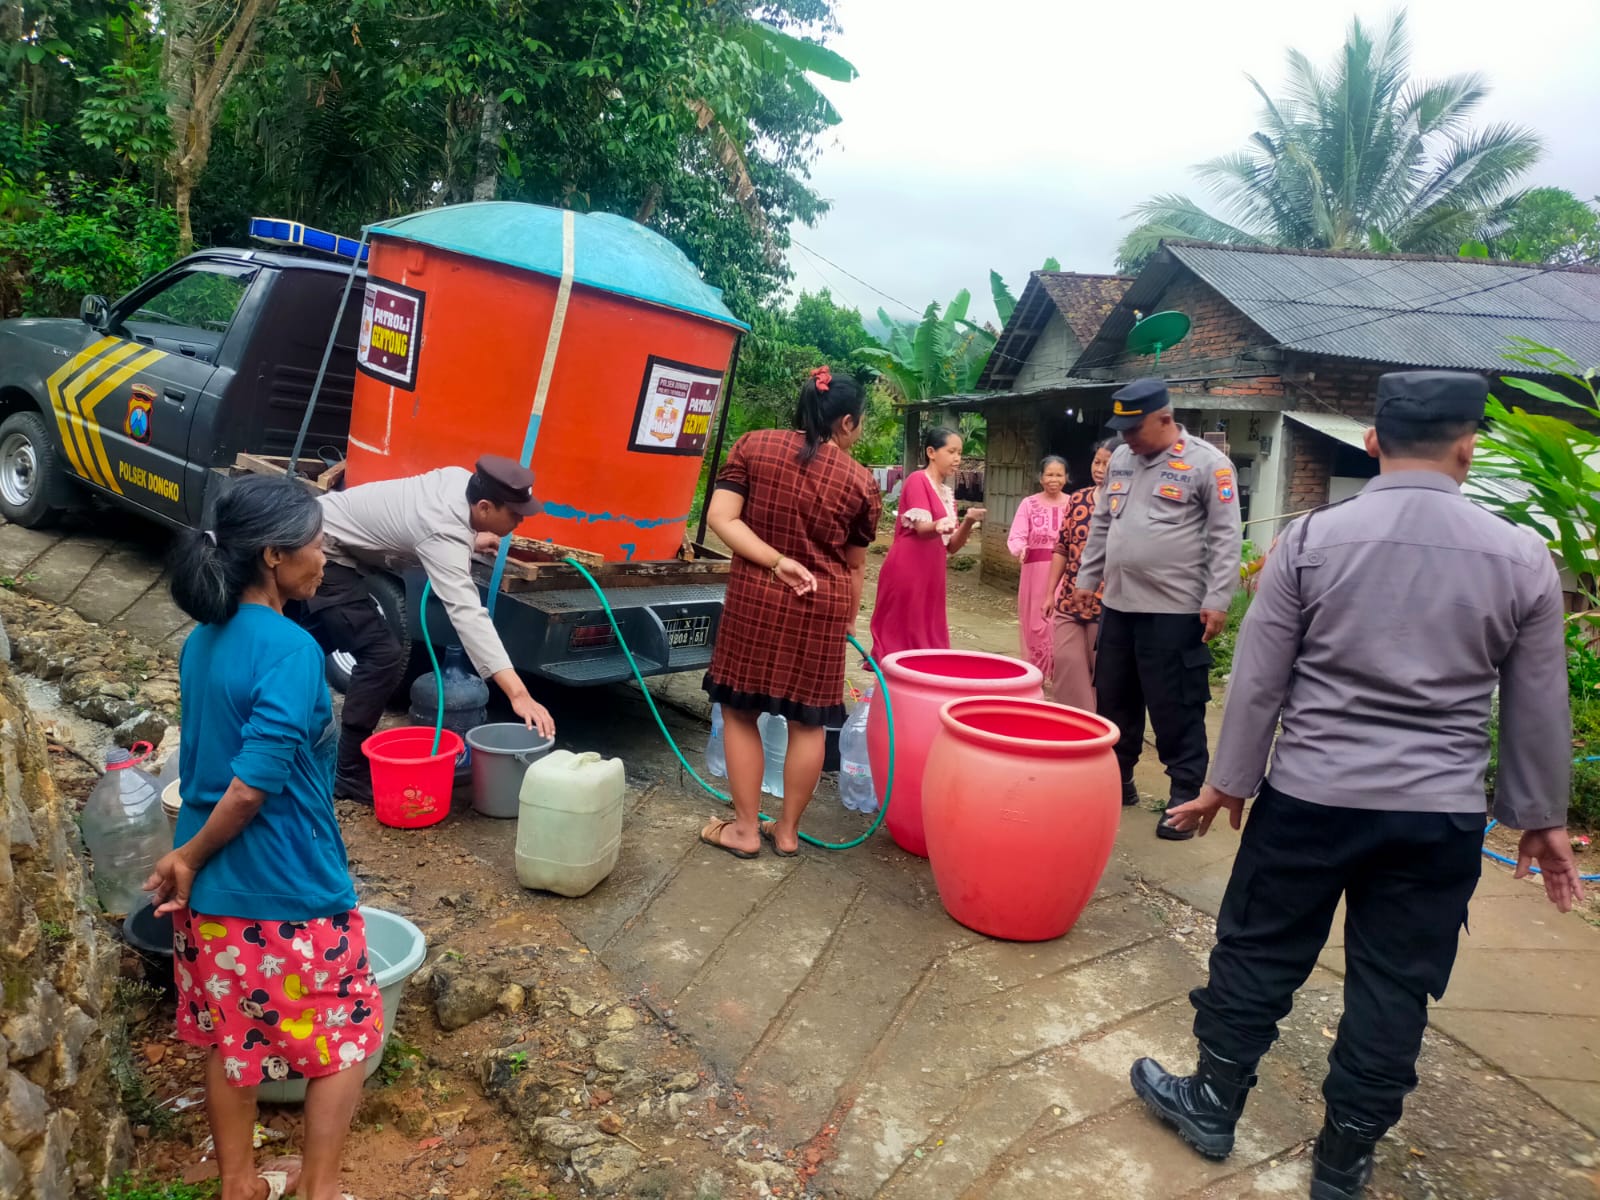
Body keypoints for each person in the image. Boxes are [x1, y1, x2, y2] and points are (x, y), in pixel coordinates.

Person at [1128, 371, 1586, 1200]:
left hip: (1311, 798)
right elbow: (1536, 703)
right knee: (1395, 983)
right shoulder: (1522, 558)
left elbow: (1261, 680)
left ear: (1372, 442)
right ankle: (1344, 1161)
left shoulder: (1312, 540)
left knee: (1260, 949)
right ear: (1467, 446)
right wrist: (1539, 818)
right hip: (1437, 812)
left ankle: (1212, 1103)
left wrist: (1228, 784)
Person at [148, 475, 376, 1200]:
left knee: (231, 1038)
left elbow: (211, 768)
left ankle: (239, 1185)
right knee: (344, 1037)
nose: (326, 559)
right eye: (318, 546)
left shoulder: (201, 641)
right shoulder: (290, 648)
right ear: (274, 556)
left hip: (213, 892)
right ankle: (317, 1188)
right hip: (289, 885)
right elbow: (251, 785)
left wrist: (188, 859)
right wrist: (186, 855)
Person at [699, 366, 882, 857]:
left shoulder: (753, 446)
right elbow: (856, 564)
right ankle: (786, 831)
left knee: (739, 713)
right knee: (809, 724)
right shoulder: (861, 482)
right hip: (823, 606)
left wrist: (777, 562)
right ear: (846, 422)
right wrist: (847, 618)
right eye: (860, 423)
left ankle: (742, 829)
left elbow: (720, 518)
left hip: (755, 600)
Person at [308, 456, 556, 802]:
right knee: (382, 653)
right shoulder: (443, 531)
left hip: (325, 532)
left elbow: (428, 520)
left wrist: (470, 540)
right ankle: (347, 773)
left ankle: (300, 731)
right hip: (321, 550)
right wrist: (518, 693)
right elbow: (468, 614)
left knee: (306, 639)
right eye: (514, 514)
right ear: (484, 506)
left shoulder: (460, 479)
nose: (519, 521)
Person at [1073, 378, 1241, 836]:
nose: (1126, 438)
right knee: (1114, 699)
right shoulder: (1123, 460)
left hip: (1175, 610)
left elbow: (1227, 538)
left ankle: (1184, 798)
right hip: (1120, 607)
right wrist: (1088, 580)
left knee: (1176, 706)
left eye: (1134, 428)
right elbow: (1103, 523)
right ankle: (1116, 781)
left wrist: (1218, 599)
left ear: (1165, 419)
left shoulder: (1209, 465)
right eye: (1121, 429)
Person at [869, 427, 985, 661]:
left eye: (960, 453)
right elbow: (922, 530)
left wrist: (968, 520)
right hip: (909, 569)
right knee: (904, 636)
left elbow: (951, 546)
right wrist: (938, 524)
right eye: (951, 451)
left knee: (927, 635)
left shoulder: (946, 493)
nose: (957, 459)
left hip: (932, 573)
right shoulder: (917, 480)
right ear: (931, 452)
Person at [1041, 439, 1115, 710]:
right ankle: (1073, 728)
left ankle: (1101, 733)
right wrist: (1050, 593)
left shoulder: (1126, 505)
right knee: (1067, 667)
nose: (1100, 468)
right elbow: (1062, 547)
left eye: (1107, 463)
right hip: (1070, 600)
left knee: (1103, 676)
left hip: (1107, 604)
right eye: (1097, 461)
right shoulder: (1078, 499)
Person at [1007, 456, 1073, 676]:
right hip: (1035, 574)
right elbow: (1016, 536)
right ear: (1040, 477)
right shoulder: (1029, 504)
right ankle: (1036, 674)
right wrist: (1021, 548)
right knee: (1037, 624)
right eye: (1049, 474)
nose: (1054, 479)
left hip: (1065, 575)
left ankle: (1058, 674)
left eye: (1059, 475)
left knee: (1058, 624)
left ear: (1066, 478)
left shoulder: (1074, 504)